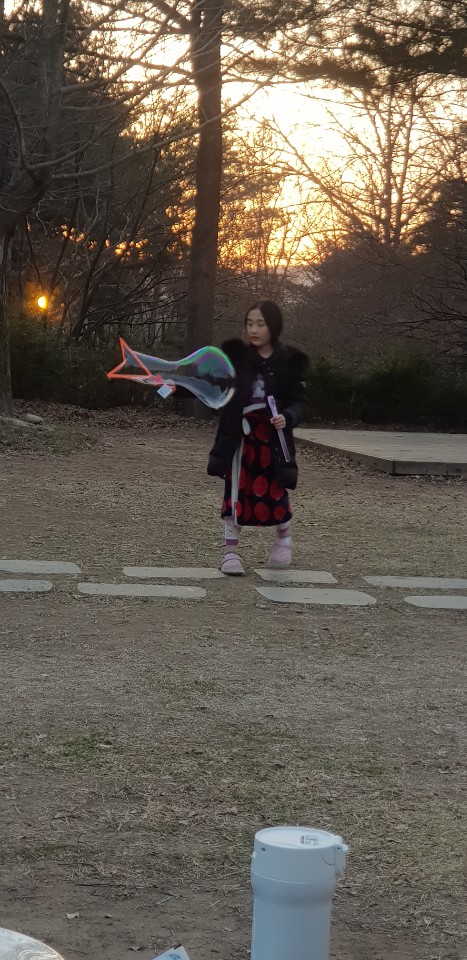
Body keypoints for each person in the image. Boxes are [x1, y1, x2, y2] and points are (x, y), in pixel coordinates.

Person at [208, 300, 309, 575]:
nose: (253, 329)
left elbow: (299, 402)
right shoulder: (237, 360)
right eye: (249, 323)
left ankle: (283, 538)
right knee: (235, 493)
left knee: (275, 490)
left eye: (260, 324)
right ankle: (230, 553)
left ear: (273, 327)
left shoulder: (287, 363)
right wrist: (175, 386)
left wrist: (288, 416)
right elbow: (216, 390)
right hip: (239, 439)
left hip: (272, 442)